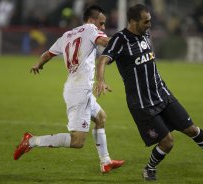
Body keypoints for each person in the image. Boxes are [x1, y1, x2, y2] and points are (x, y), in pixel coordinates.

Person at [95, 4, 203, 181]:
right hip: (143, 104)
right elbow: (103, 59)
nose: (149, 24)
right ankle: (149, 168)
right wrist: (101, 79)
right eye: (146, 21)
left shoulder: (146, 34)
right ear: (133, 21)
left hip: (162, 93)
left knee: (192, 129)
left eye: (150, 20)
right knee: (167, 142)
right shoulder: (120, 39)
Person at [13, 5, 124, 173]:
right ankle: (31, 141)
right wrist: (127, 38)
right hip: (79, 91)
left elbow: (48, 54)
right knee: (77, 142)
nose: (102, 27)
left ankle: (105, 161)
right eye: (101, 23)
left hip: (77, 87)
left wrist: (38, 64)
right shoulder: (91, 29)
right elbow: (106, 42)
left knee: (101, 117)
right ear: (91, 20)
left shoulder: (67, 35)